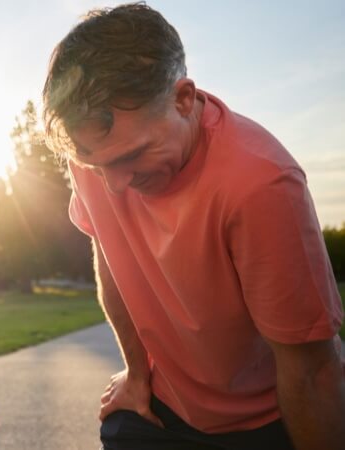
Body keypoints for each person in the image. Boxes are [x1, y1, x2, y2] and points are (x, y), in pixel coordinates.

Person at [42, 3, 344, 450]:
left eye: (131, 157)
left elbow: (312, 370)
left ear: (183, 100)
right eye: (95, 164)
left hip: (268, 420)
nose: (114, 184)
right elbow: (109, 257)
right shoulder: (96, 154)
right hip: (163, 414)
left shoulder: (260, 183)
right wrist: (136, 373)